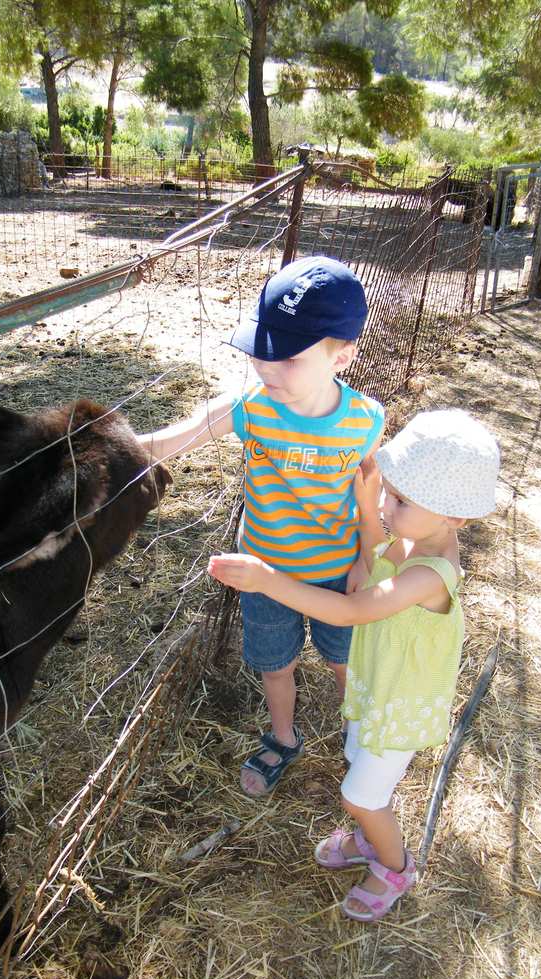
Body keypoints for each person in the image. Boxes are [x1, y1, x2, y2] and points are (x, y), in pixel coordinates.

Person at [208, 409, 500, 921]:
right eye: (389, 491)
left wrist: (266, 580)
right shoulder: (414, 536)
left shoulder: (432, 574)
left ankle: (394, 866)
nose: (389, 505)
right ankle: (369, 838)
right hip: (376, 687)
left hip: (400, 707)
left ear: (454, 517)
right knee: (356, 764)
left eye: (400, 500)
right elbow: (375, 550)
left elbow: (352, 610)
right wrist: (369, 506)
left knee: (360, 793)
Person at [138, 256, 384, 797]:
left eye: (288, 357)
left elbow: (370, 503)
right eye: (259, 350)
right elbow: (175, 438)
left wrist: (367, 560)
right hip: (262, 570)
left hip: (337, 571)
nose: (267, 369)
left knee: (345, 659)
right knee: (277, 665)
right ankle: (283, 735)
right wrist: (95, 446)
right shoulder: (251, 407)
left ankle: (359, 734)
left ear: (342, 355)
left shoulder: (366, 421)